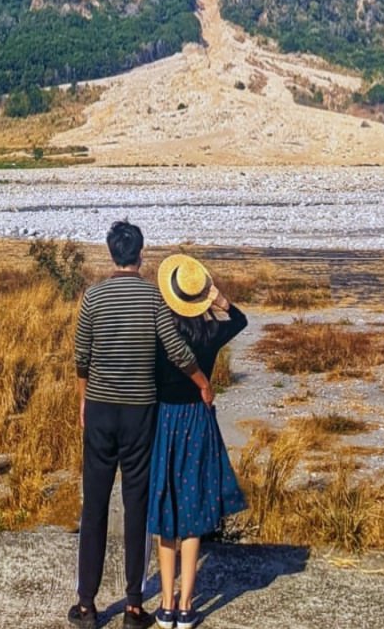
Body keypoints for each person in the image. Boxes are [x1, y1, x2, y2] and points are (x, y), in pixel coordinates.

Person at [70, 221, 215, 629]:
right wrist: (203, 383)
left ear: (111, 253)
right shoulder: (153, 297)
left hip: (99, 408)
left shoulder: (93, 297)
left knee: (94, 505)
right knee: (137, 505)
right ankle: (134, 606)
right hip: (140, 412)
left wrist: (83, 398)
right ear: (140, 254)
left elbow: (82, 355)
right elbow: (177, 349)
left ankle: (87, 605)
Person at [149, 254, 248, 629]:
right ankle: (188, 605)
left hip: (164, 421)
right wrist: (219, 300)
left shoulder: (161, 332)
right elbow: (240, 320)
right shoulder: (210, 333)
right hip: (197, 421)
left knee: (166, 514)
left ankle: (166, 602)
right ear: (200, 297)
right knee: (191, 513)